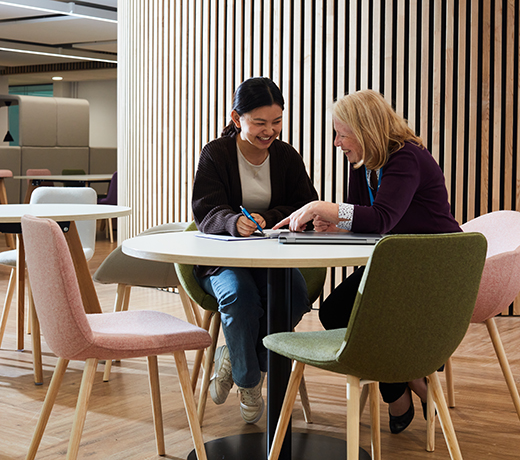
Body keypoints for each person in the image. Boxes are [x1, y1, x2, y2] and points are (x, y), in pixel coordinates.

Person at [274, 89, 461, 434]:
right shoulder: (364, 164)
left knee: (354, 317)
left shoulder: (407, 158)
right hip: (394, 264)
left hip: (433, 268)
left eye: (341, 134)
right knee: (334, 313)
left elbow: (381, 219)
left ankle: (398, 390)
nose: (336, 142)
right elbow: (361, 219)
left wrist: (322, 208)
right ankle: (407, 379)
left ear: (364, 131)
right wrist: (335, 225)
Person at [191, 77, 318, 424]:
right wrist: (233, 222)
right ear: (236, 119)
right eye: (260, 123)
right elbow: (205, 211)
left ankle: (235, 353)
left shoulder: (286, 156)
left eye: (276, 122)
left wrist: (270, 217)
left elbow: (305, 205)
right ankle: (249, 383)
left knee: (293, 294)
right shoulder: (216, 154)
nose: (270, 131)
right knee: (239, 298)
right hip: (222, 261)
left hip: (271, 259)